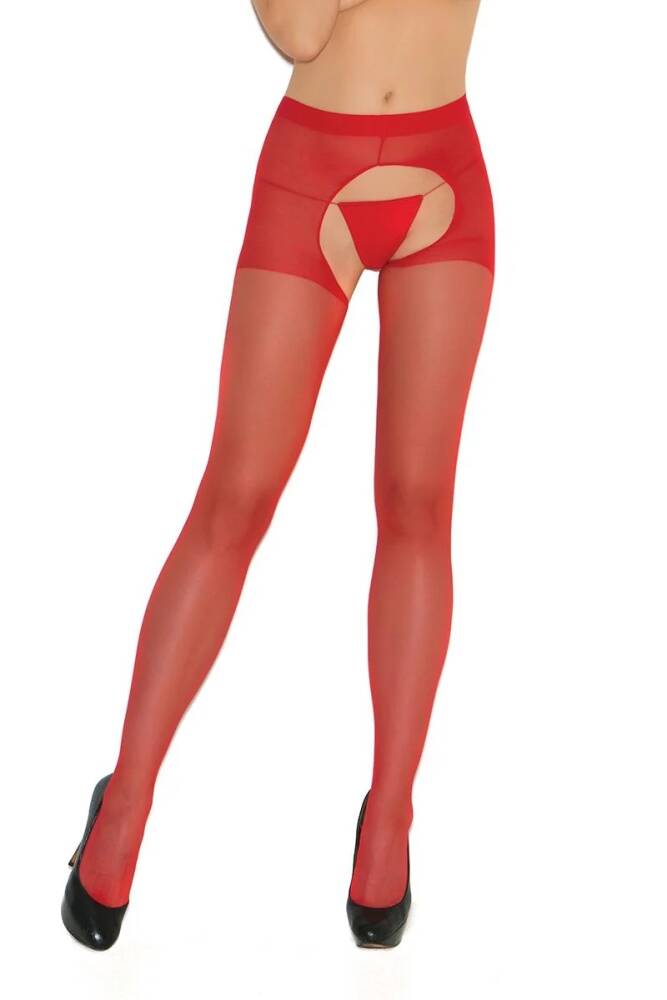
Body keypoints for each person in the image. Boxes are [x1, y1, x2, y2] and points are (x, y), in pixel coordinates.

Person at [62, 0, 494, 951]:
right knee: (236, 501)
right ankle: (124, 804)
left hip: (446, 168)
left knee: (419, 505)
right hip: (314, 176)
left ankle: (389, 821)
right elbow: (297, 31)